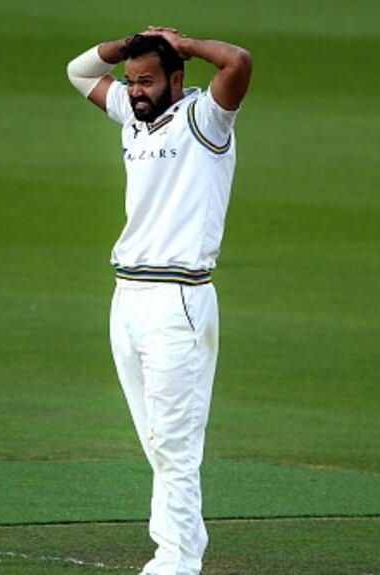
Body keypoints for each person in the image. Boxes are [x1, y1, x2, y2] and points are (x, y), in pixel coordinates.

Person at [66, 27, 252, 575]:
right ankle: (181, 545)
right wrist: (123, 46)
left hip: (179, 298)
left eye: (147, 81)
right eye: (130, 81)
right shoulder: (132, 115)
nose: (136, 90)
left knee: (175, 438)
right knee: (157, 437)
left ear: (177, 79)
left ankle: (177, 559)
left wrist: (187, 43)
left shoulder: (205, 118)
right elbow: (77, 73)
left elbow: (238, 62)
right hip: (127, 297)